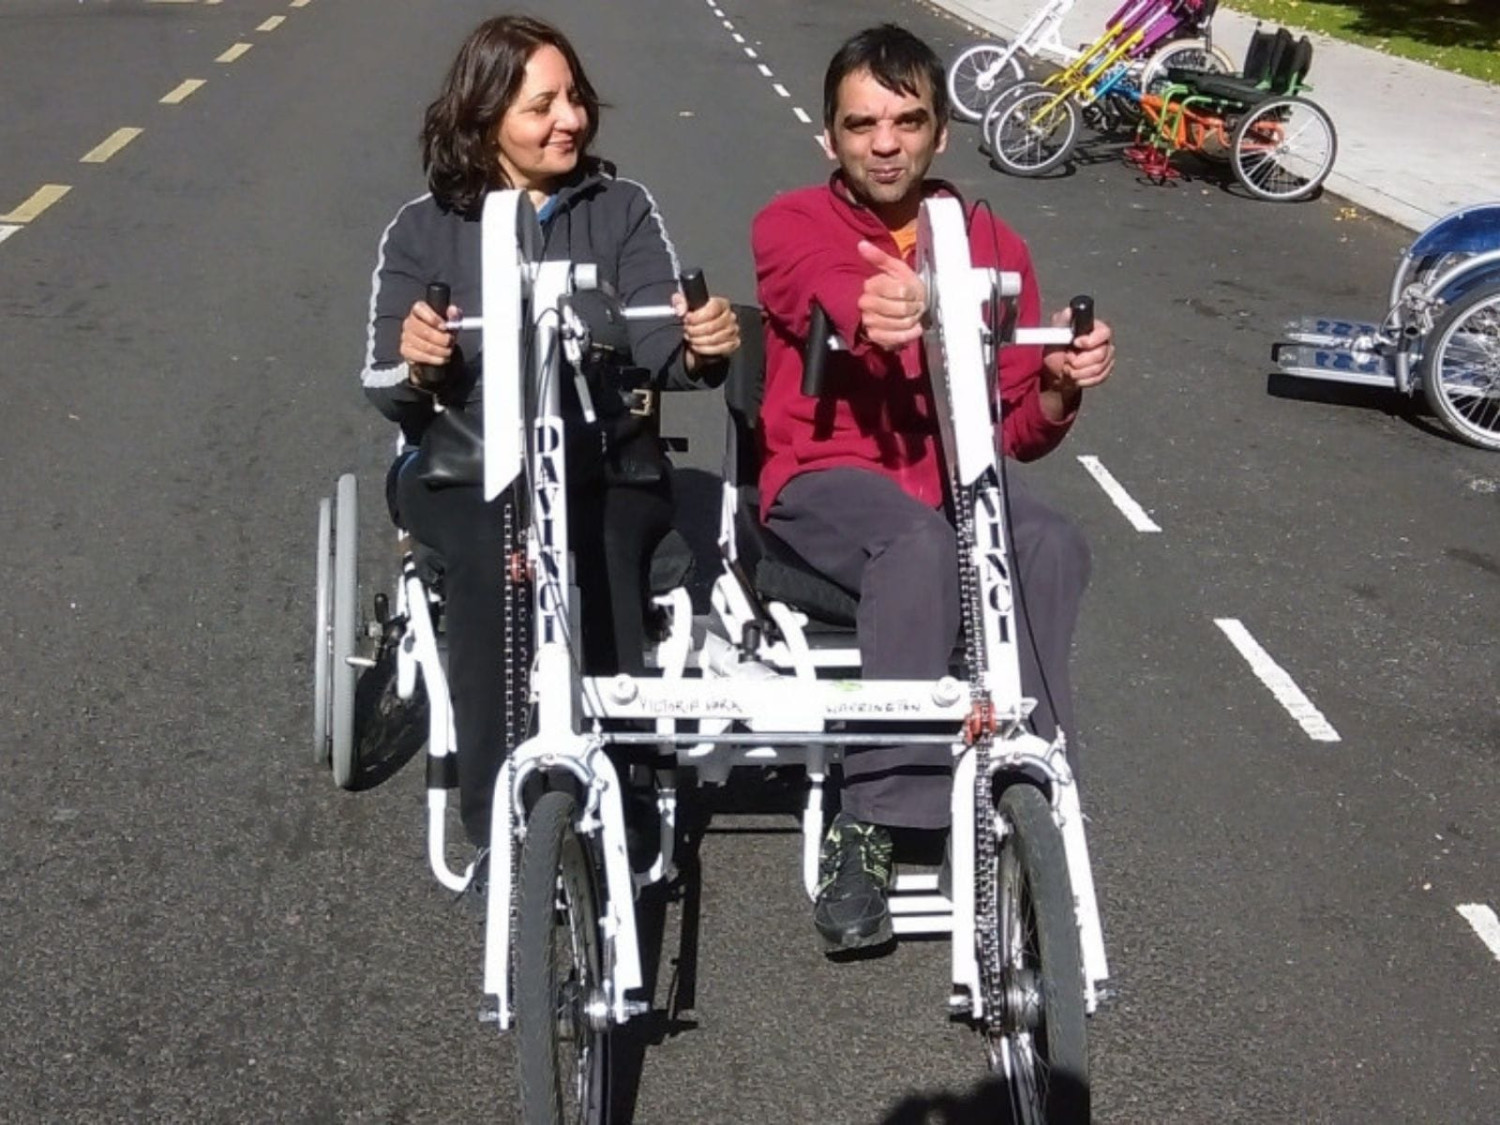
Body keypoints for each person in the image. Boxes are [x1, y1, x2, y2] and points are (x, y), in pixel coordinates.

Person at [751, 24, 1115, 952]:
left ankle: (1026, 780)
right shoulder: (791, 223)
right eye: (861, 123)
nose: (885, 142)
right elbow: (824, 286)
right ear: (828, 137)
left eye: (908, 121)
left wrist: (1062, 383)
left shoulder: (993, 240)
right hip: (829, 477)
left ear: (941, 131)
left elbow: (1019, 430)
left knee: (1050, 540)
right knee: (918, 546)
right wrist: (878, 308)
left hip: (954, 475)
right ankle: (873, 824)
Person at [359, 15, 740, 860]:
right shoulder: (421, 229)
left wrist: (697, 346)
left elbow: (662, 347)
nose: (570, 119)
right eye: (543, 105)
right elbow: (381, 383)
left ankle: (626, 792)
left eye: (575, 99)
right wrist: (418, 363)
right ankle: (505, 823)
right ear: (485, 116)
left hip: (603, 459)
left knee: (600, 546)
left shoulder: (622, 209)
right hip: (466, 464)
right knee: (503, 550)